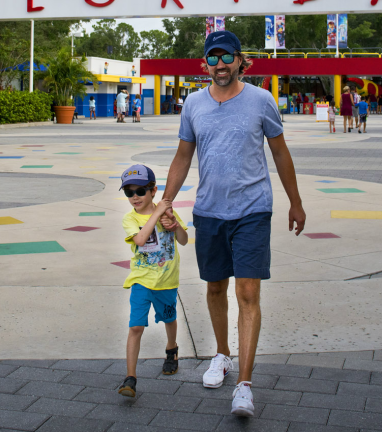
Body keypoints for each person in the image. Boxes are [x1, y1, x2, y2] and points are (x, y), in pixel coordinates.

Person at [162, 30, 305, 418]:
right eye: (213, 58)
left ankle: (244, 384)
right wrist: (166, 201)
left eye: (228, 58)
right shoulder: (193, 104)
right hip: (209, 211)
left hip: (252, 210)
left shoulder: (261, 100)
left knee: (247, 293)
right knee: (214, 288)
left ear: (242, 61)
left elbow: (280, 152)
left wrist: (295, 202)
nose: (221, 65)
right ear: (204, 64)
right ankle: (221, 355)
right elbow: (182, 158)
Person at [117, 165, 189, 397]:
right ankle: (131, 377)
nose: (135, 197)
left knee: (169, 317)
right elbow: (139, 239)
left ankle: (171, 348)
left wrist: (175, 225)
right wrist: (158, 214)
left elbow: (184, 240)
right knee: (136, 326)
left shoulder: (167, 213)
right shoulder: (130, 219)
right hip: (141, 279)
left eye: (140, 191)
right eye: (129, 193)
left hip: (167, 280)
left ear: (153, 190)